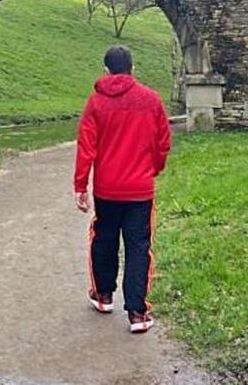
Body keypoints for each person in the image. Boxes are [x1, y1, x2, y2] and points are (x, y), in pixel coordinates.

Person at [74, 45, 171, 334]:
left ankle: (103, 295)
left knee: (103, 239)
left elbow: (86, 147)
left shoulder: (95, 103)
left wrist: (81, 185)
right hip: (140, 188)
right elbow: (162, 142)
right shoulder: (151, 100)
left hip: (107, 188)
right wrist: (153, 168)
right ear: (133, 67)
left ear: (106, 69)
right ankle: (138, 313)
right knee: (139, 247)